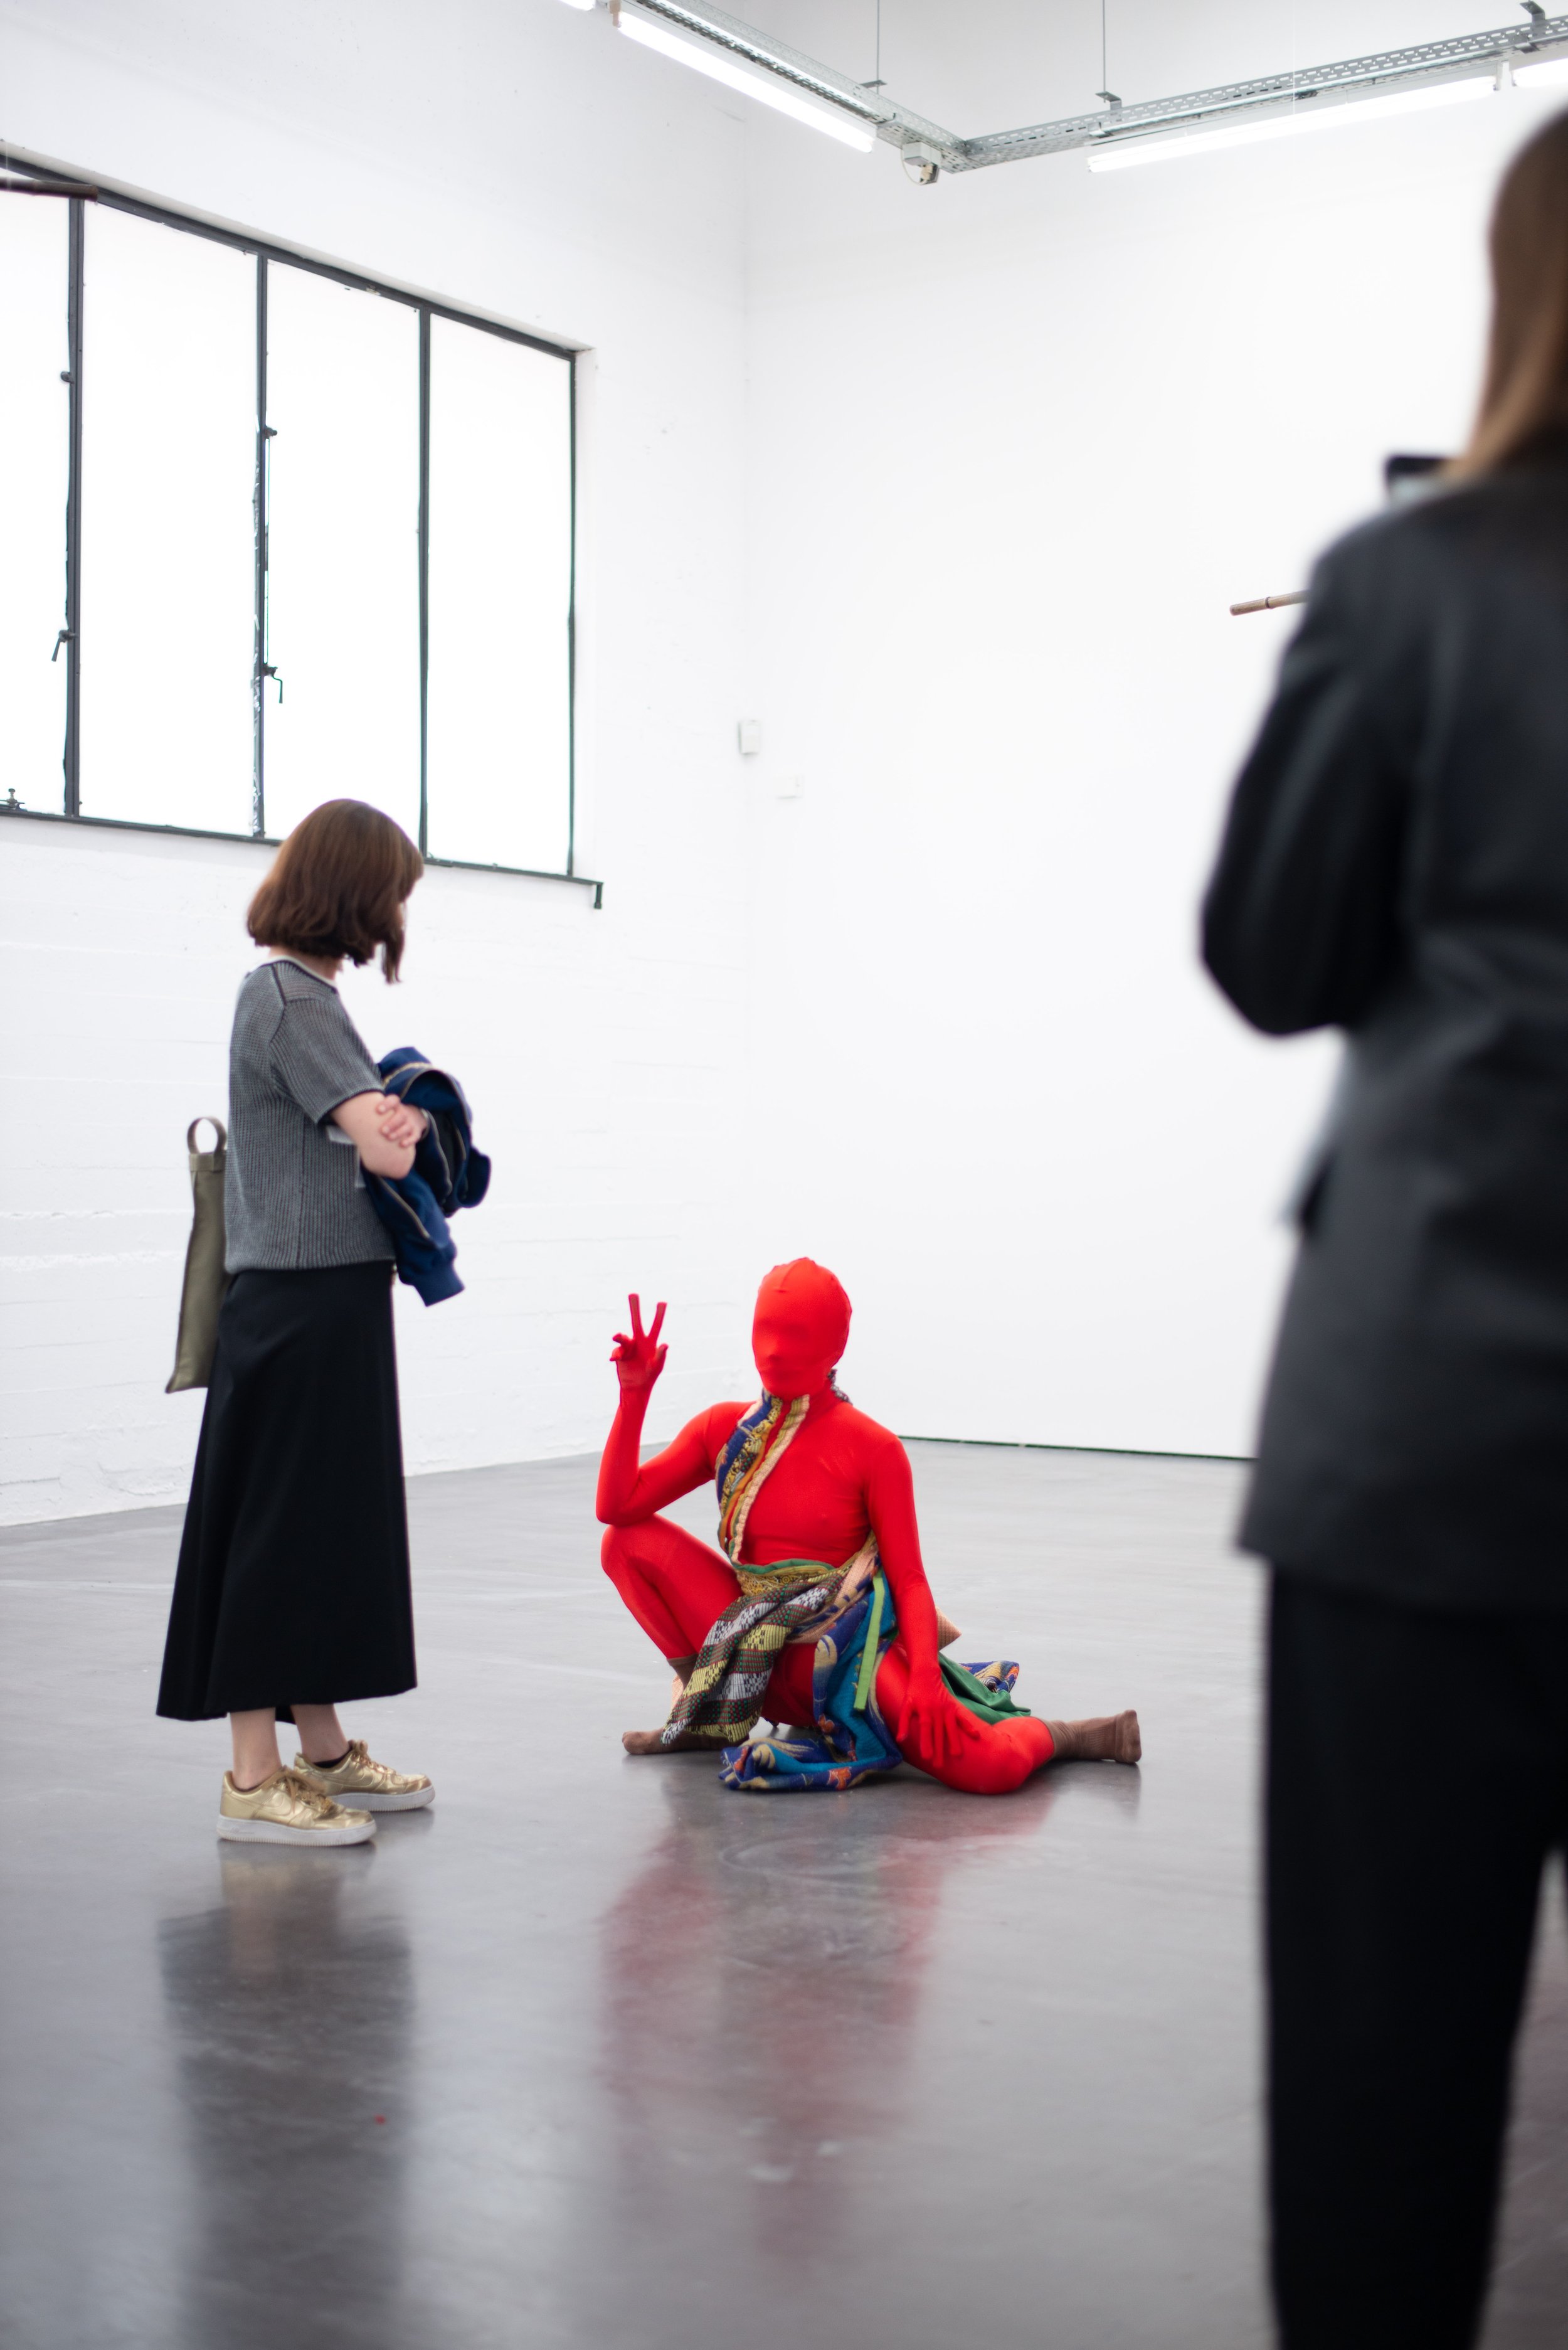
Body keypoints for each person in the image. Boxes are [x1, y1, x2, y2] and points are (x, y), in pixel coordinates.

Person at [1201, 112, 1568, 2350]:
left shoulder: (1413, 577)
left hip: (1414, 1425)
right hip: (1414, 1435)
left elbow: (1270, 949)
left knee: (1379, 2108)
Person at [158, 799, 437, 1845]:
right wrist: (395, 1122)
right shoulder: (295, 1003)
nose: (398, 910)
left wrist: (387, 1118)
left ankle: (318, 1751)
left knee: (313, 1528)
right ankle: (251, 1778)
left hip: (315, 1300)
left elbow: (376, 1128)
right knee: (277, 1534)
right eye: (393, 891)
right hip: (305, 1302)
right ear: (354, 891)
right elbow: (389, 1149)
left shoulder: (291, 994)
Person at [597, 1258, 1140, 1792]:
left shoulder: (874, 1450)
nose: (774, 1350)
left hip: (841, 1658)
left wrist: (925, 1675)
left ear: (836, 1347)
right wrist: (635, 1394)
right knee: (624, 1543)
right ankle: (705, 1712)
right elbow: (617, 1505)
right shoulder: (723, 1428)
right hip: (746, 1645)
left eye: (797, 1334)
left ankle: (1071, 1735)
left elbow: (909, 1579)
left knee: (988, 1767)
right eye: (766, 1330)